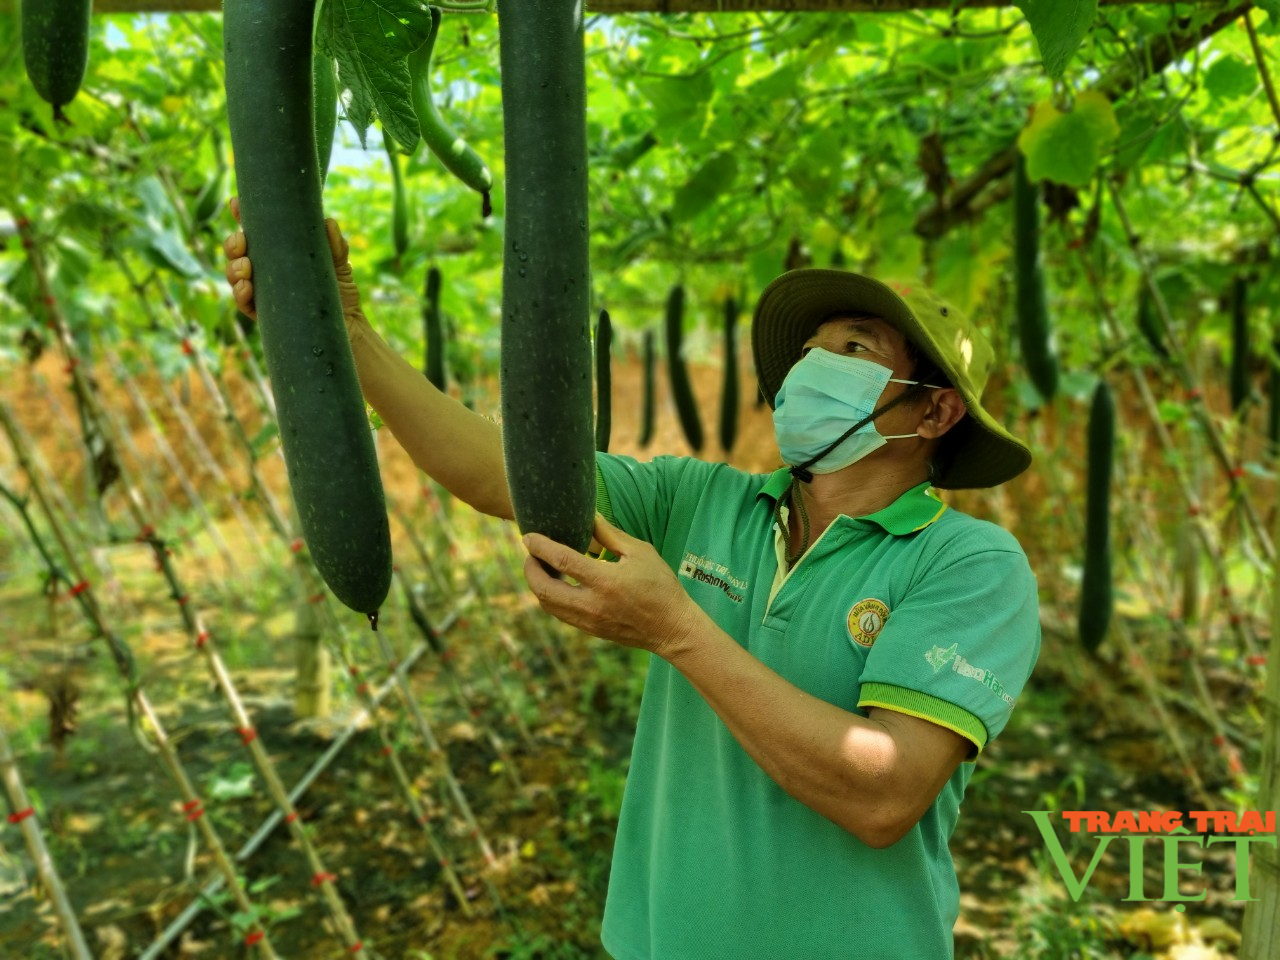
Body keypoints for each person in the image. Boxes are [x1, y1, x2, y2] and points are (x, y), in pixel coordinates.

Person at [225, 199, 1041, 960]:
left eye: (855, 349)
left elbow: (884, 794)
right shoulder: (698, 500)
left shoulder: (968, 564)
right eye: (809, 351)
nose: (813, 368)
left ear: (934, 413)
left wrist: (678, 630)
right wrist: (348, 330)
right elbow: (499, 475)